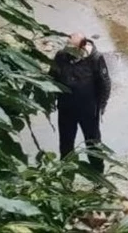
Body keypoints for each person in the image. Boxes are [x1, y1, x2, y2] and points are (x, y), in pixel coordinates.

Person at [49, 33, 111, 174]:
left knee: (93, 144)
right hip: (66, 109)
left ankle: (98, 176)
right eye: (67, 46)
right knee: (66, 146)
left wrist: (101, 106)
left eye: (72, 48)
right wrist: (51, 99)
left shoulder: (95, 58)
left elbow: (105, 83)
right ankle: (67, 178)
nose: (68, 50)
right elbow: (51, 78)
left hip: (88, 110)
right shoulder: (61, 57)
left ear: (81, 47)